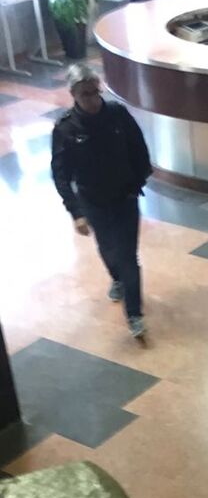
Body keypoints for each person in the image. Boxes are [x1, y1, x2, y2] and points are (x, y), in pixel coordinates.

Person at [51, 65, 151, 339]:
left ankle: (134, 314)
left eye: (95, 92)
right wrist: (76, 213)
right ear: (73, 95)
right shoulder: (66, 128)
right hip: (92, 202)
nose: (93, 100)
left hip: (125, 198)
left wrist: (138, 182)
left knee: (128, 256)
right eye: (86, 95)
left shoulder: (118, 115)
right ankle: (116, 278)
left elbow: (139, 149)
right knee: (107, 248)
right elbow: (61, 174)